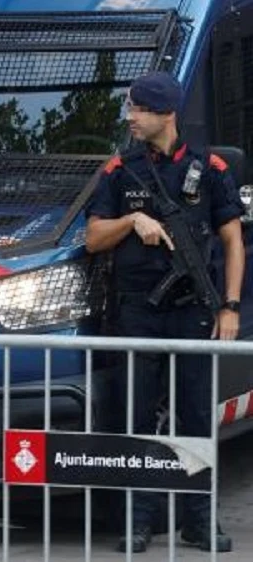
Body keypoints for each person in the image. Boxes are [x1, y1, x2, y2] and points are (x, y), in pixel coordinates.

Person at [85, 71, 244, 554]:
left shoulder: (210, 168)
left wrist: (230, 306)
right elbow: (93, 238)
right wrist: (133, 221)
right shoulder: (120, 169)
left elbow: (233, 242)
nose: (130, 117)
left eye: (139, 109)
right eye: (131, 108)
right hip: (137, 312)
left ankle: (200, 521)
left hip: (193, 310)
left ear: (166, 114)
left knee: (195, 417)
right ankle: (138, 522)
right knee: (135, 417)